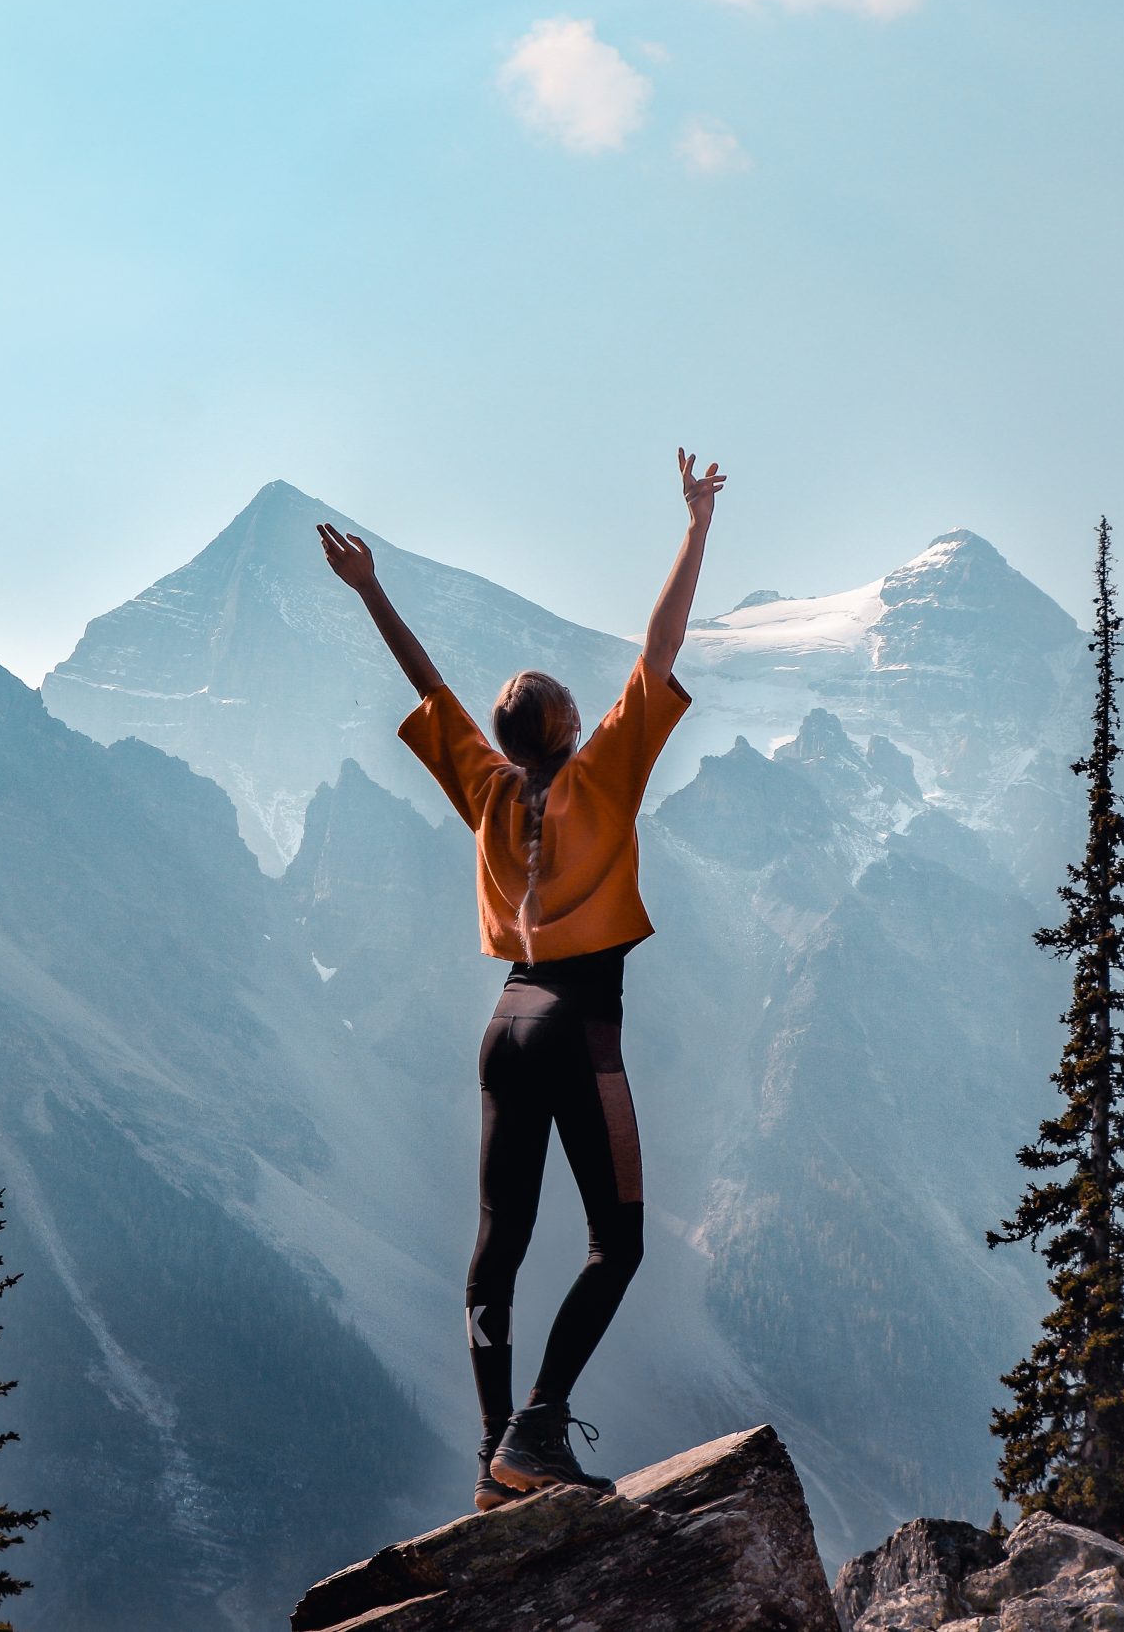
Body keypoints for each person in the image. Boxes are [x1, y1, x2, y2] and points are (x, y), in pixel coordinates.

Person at [317, 447, 724, 1508]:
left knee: (499, 1241)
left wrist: (371, 591)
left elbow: (427, 684)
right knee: (618, 1242)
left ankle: (494, 1458)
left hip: (503, 1025)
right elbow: (663, 641)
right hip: (581, 1027)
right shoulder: (603, 777)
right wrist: (694, 526)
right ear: (573, 729)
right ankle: (538, 1427)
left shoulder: (486, 792)